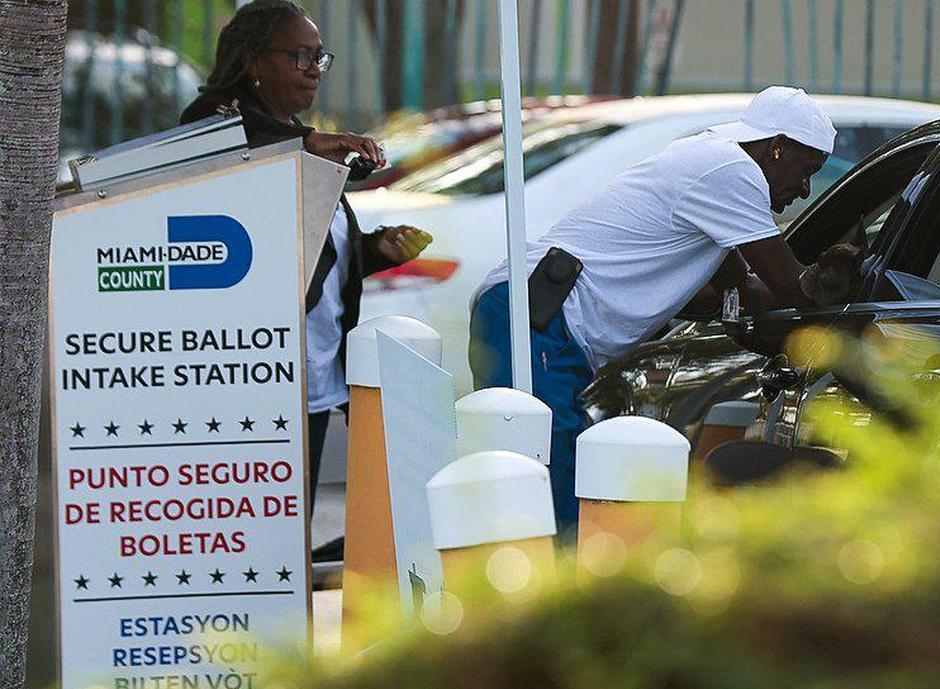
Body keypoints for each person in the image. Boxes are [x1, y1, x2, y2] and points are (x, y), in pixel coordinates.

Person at [469, 86, 860, 544]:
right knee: (551, 481)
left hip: (533, 314)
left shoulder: (713, 161)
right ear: (777, 149)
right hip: (538, 318)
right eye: (806, 171)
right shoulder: (733, 173)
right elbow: (791, 286)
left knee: (540, 478)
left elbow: (747, 293)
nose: (803, 190)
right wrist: (847, 272)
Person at [180, 0, 432, 502]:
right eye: (299, 56)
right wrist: (309, 141)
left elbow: (311, 248)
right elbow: (225, 138)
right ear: (253, 60)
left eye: (319, 57)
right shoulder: (219, 126)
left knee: (294, 531)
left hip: (313, 377)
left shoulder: (300, 142)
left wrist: (375, 249)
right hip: (250, 379)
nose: (313, 71)